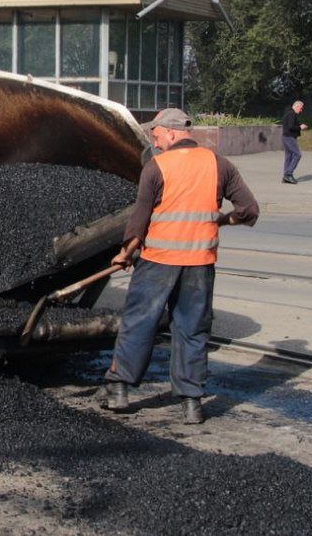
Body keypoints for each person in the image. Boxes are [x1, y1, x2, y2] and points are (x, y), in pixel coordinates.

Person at [101, 107, 259, 424]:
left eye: (156, 136)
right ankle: (191, 404)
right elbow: (249, 209)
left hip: (158, 262)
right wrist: (224, 220)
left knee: (139, 323)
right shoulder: (220, 164)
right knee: (192, 330)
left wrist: (125, 253)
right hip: (199, 264)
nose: (155, 143)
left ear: (171, 133)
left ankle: (119, 390)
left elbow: (139, 220)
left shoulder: (156, 167)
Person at [281, 100, 308, 184]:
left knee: (288, 156)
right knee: (297, 154)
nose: (301, 110)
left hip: (286, 137)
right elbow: (291, 127)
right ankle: (288, 174)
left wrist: (300, 126)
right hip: (289, 138)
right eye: (301, 108)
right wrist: (300, 127)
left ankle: (286, 176)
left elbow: (290, 125)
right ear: (296, 106)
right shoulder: (291, 114)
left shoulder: (289, 113)